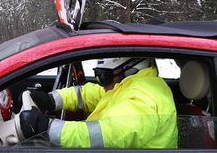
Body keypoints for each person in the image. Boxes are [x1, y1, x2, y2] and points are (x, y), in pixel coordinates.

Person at [19, 57, 178, 148]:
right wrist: (51, 100)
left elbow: (104, 135)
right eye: (98, 75)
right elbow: (89, 94)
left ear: (130, 70)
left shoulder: (143, 99)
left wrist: (47, 128)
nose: (101, 83)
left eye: (104, 76)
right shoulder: (126, 86)